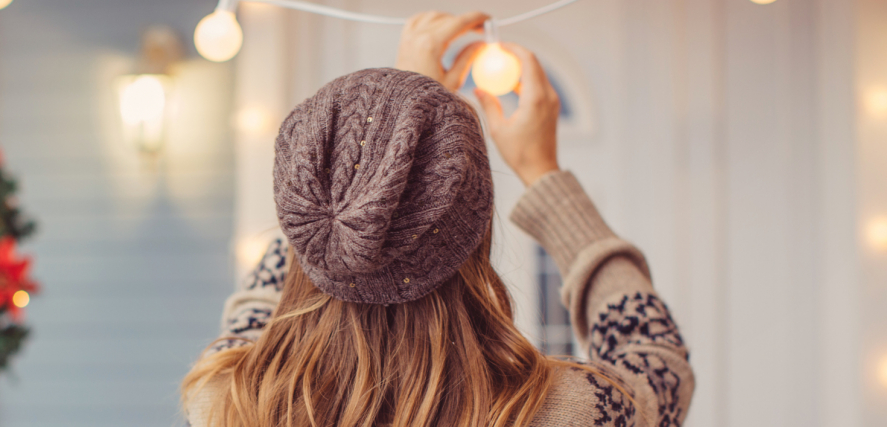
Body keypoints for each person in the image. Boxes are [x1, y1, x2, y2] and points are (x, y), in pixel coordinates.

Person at [182, 10, 693, 427]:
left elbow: (264, 298)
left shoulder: (227, 401)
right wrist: (544, 173)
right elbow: (656, 363)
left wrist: (384, 145)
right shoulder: (568, 411)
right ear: (475, 232)